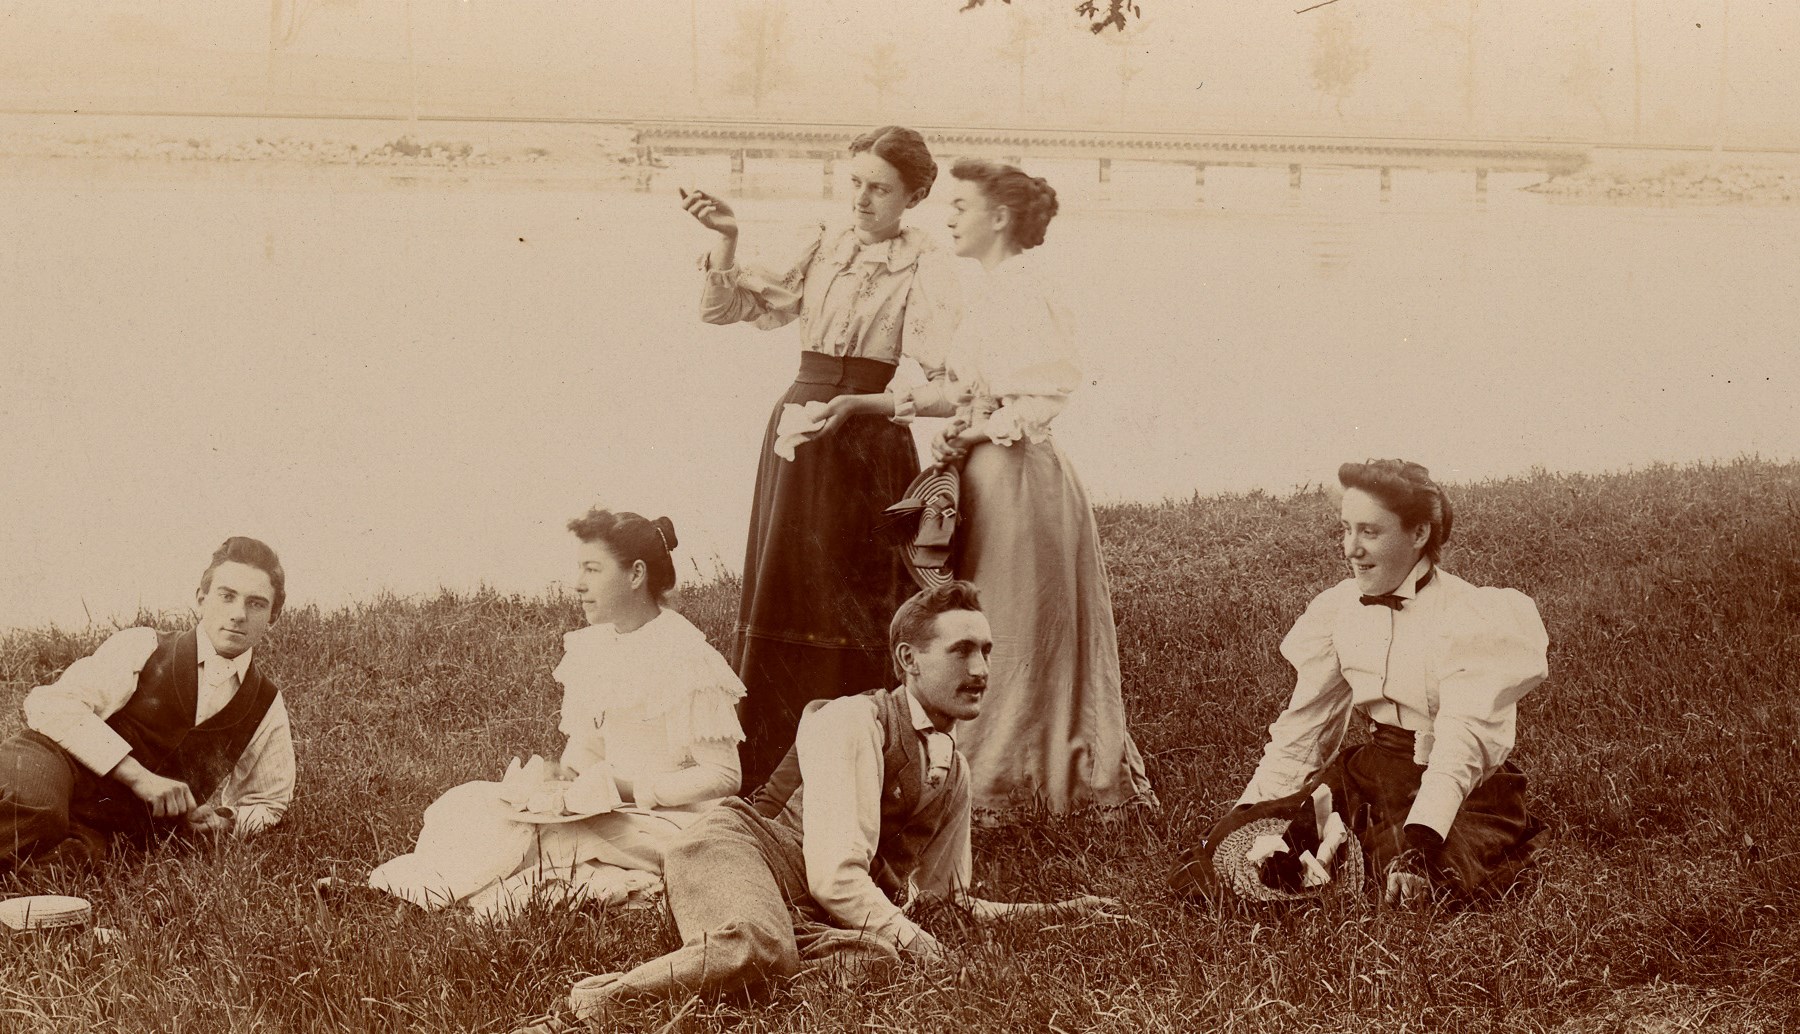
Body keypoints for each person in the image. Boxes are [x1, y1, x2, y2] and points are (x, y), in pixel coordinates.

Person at [512, 582, 1120, 1031]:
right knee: (760, 946)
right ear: (909, 660)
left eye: (986, 650)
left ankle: (725, 987)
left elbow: (943, 901)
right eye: (961, 651)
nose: (981, 669)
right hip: (734, 849)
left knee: (878, 961)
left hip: (808, 909)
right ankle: (588, 1008)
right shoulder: (852, 721)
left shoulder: (953, 770)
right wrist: (934, 955)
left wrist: (1060, 911)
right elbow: (835, 878)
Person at [826, 159, 1155, 820]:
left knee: (1013, 619)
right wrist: (865, 404)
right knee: (990, 613)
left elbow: (1044, 395)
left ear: (999, 217)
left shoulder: (1025, 288)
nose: (949, 217)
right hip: (989, 473)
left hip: (1020, 478)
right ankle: (987, 771)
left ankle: (1015, 781)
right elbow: (962, 390)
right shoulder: (993, 289)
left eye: (961, 206)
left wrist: (973, 432)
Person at [679, 125, 962, 792]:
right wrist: (728, 238)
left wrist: (869, 404)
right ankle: (766, 767)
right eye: (856, 183)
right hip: (798, 434)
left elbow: (952, 384)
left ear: (915, 196)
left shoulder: (925, 263)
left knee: (854, 600)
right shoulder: (823, 244)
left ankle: (861, 764)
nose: (861, 200)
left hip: (867, 441)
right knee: (789, 585)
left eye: (880, 189)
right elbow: (727, 310)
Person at [363, 509, 745, 918]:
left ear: (636, 574)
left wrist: (631, 790)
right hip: (608, 807)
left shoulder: (686, 657)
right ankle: (406, 889)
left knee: (551, 839)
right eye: (579, 569)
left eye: (592, 569)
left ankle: (424, 900)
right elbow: (588, 753)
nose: (578, 584)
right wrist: (557, 780)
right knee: (468, 803)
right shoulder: (595, 648)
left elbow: (725, 777)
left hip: (670, 822)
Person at [1205, 459, 1549, 905]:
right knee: (1245, 852)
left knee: (1408, 874)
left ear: (1419, 533)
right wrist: (1250, 813)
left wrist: (1422, 841)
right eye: (1345, 529)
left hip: (1461, 785)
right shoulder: (1339, 609)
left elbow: (1463, 740)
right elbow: (1305, 730)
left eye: (1369, 532)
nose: (1351, 549)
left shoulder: (1471, 616)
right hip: (1371, 775)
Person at [0, 536, 296, 876]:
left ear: (273, 615)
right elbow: (50, 705)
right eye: (226, 596)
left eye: (256, 604)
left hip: (107, 823)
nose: (238, 614)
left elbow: (267, 801)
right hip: (51, 764)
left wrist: (224, 820)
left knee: (76, 862)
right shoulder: (144, 645)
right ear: (201, 599)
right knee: (39, 814)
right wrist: (139, 777)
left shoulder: (265, 703)